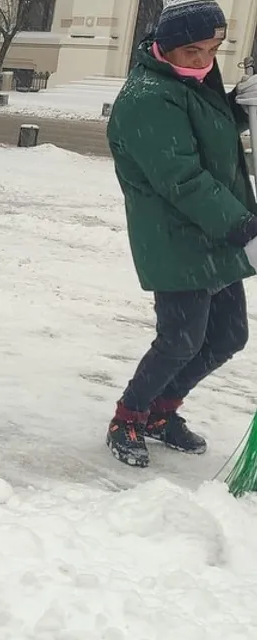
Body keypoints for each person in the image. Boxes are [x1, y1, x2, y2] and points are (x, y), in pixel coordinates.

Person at [105, 0, 257, 467]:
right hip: (177, 238)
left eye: (212, 50)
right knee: (181, 340)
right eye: (191, 51)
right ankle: (129, 416)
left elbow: (207, 133)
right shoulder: (147, 97)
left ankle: (161, 412)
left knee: (228, 336)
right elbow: (183, 178)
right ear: (163, 47)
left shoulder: (191, 79)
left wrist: (240, 108)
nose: (203, 60)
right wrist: (243, 227)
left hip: (212, 236)